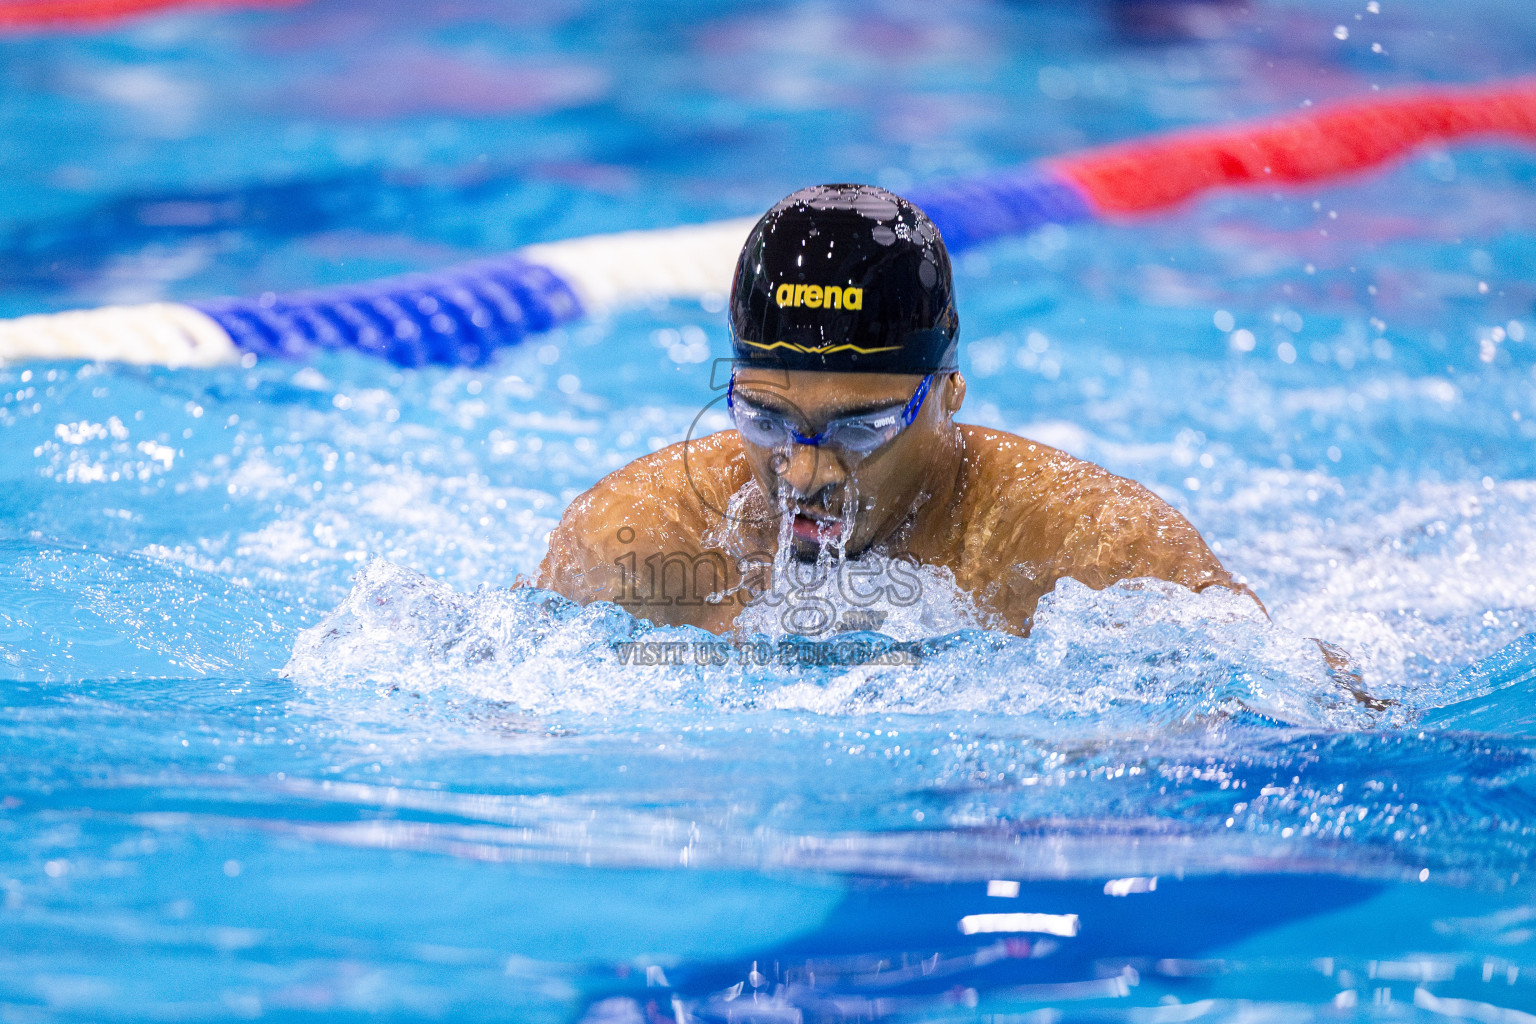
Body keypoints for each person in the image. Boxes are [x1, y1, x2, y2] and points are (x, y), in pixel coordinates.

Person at [536, 182, 1261, 639]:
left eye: (861, 427)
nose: (807, 468)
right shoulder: (633, 543)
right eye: (765, 418)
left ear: (948, 398)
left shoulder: (1093, 555)